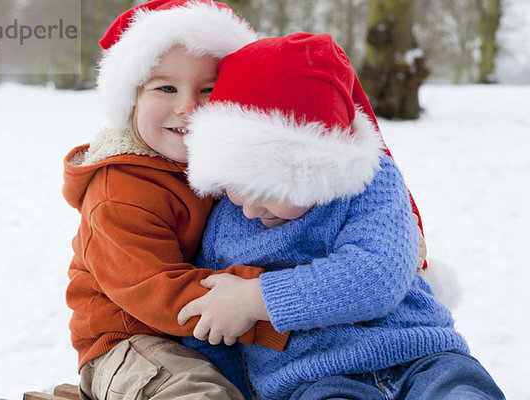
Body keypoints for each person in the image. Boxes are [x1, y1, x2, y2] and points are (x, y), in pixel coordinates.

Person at [178, 33, 505, 400]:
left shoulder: (368, 182)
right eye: (234, 187)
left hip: (423, 357)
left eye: (270, 192)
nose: (250, 210)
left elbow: (376, 274)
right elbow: (212, 324)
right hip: (311, 381)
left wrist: (256, 299)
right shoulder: (223, 224)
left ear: (319, 169)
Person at [62, 1, 289, 399]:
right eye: (166, 88)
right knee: (196, 392)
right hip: (131, 341)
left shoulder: (230, 164)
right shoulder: (120, 191)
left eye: (209, 89)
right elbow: (156, 291)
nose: (188, 107)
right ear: (130, 99)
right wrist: (265, 300)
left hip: (207, 334)